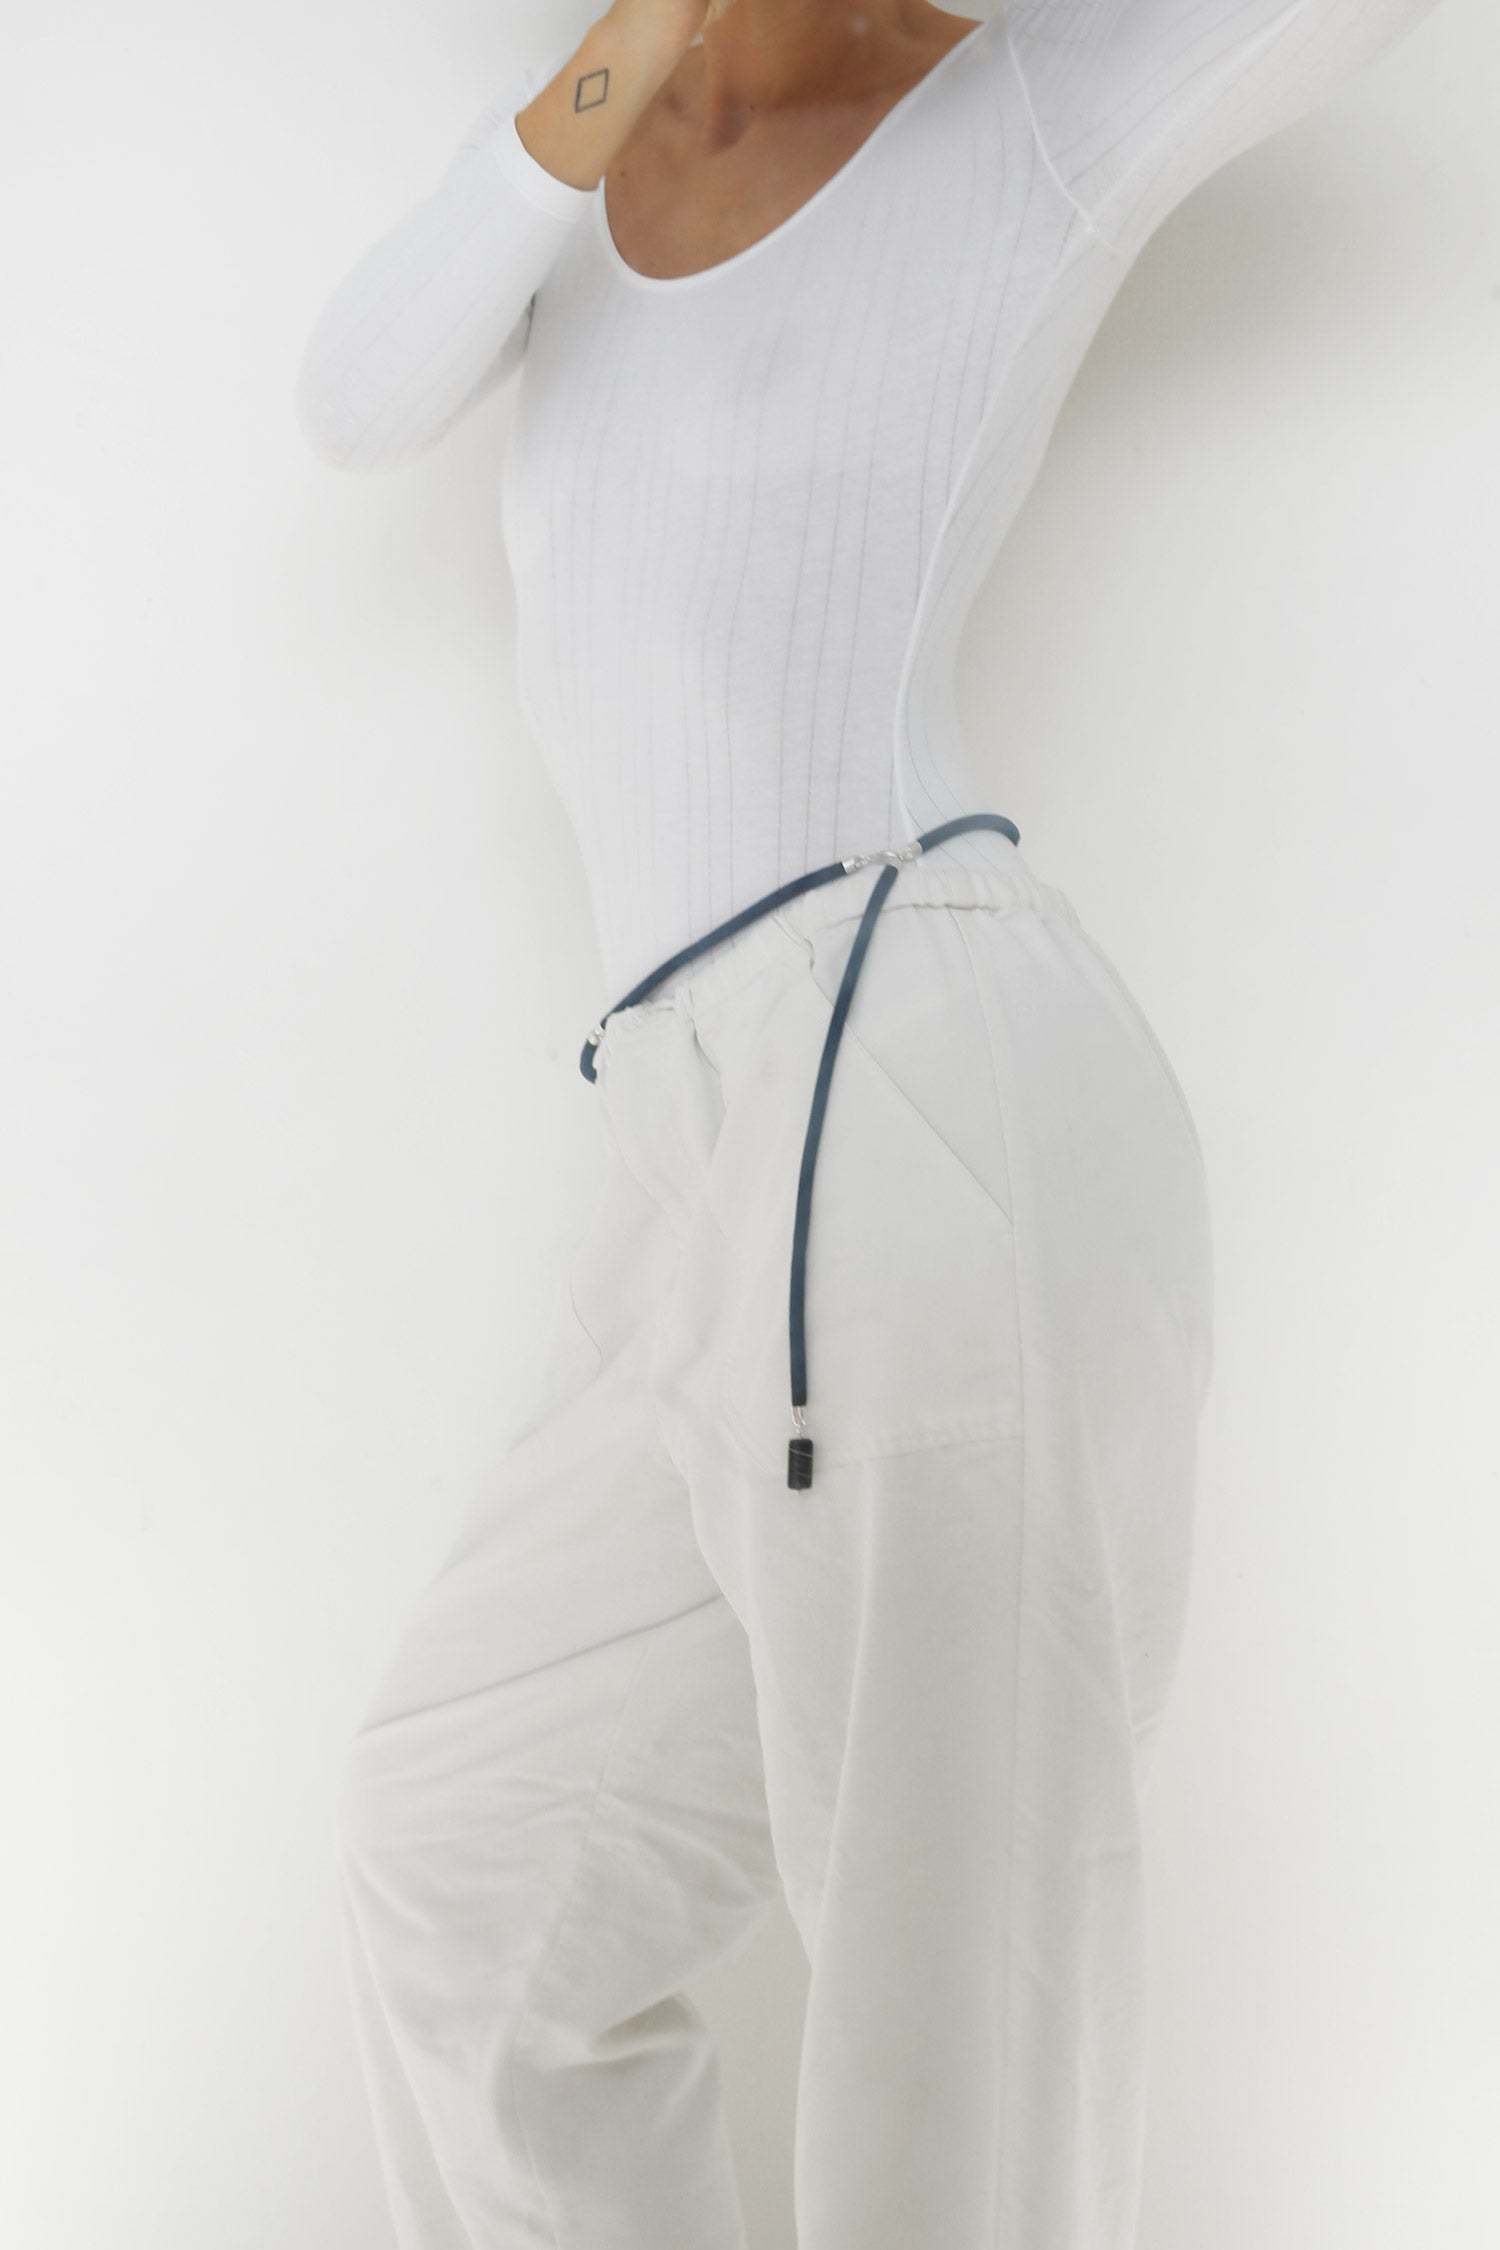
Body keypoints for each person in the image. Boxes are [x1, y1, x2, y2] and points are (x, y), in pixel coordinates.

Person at [293, 2, 1446, 2243]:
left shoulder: (1021, 113)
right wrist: (643, 44)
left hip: (909, 1066)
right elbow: (357, 393)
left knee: (954, 2013)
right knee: (465, 1859)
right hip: (687, 1144)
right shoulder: (577, 185)